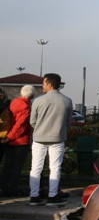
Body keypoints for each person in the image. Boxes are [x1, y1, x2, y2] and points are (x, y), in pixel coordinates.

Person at [29, 73, 73, 206]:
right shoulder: (66, 101)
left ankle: (34, 196)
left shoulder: (38, 101)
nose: (42, 86)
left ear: (49, 84)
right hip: (57, 137)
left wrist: (40, 129)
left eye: (43, 83)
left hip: (39, 138)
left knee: (36, 167)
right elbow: (68, 122)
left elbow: (32, 121)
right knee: (55, 167)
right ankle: (52, 195)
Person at [1, 86, 35, 196]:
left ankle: (3, 187)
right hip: (20, 141)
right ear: (32, 96)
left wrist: (7, 138)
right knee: (17, 166)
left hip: (8, 140)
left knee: (7, 165)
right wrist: (11, 137)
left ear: (20, 93)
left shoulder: (12, 103)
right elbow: (20, 125)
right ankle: (12, 189)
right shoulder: (26, 107)